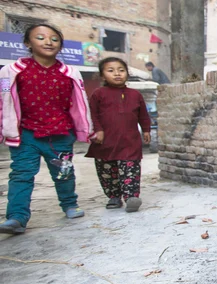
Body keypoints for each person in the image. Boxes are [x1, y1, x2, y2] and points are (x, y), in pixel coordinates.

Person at [0, 24, 93, 234]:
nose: (48, 42)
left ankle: (69, 204)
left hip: (60, 134)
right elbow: (3, 101)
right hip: (26, 134)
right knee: (21, 174)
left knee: (64, 173)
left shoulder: (69, 73)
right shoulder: (12, 71)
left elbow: (79, 103)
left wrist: (85, 129)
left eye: (54, 39)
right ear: (27, 43)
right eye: (40, 37)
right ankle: (17, 217)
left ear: (60, 45)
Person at [86, 57, 151, 212]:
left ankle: (131, 197)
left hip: (130, 140)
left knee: (131, 168)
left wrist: (147, 129)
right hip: (105, 141)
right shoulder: (98, 94)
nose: (117, 74)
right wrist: (98, 130)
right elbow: (92, 114)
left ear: (127, 73)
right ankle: (114, 196)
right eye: (111, 70)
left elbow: (143, 115)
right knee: (107, 171)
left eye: (121, 70)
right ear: (102, 76)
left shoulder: (135, 94)